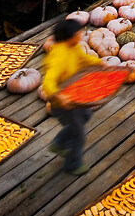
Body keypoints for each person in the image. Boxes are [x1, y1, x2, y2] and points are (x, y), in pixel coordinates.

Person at [42, 19, 102, 176]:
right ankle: (72, 164)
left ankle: (59, 143)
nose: (82, 35)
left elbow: (83, 59)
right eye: (79, 33)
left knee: (86, 115)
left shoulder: (73, 47)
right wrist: (59, 96)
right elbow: (48, 81)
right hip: (62, 105)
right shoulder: (58, 56)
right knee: (79, 134)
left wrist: (100, 64)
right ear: (70, 36)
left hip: (74, 95)